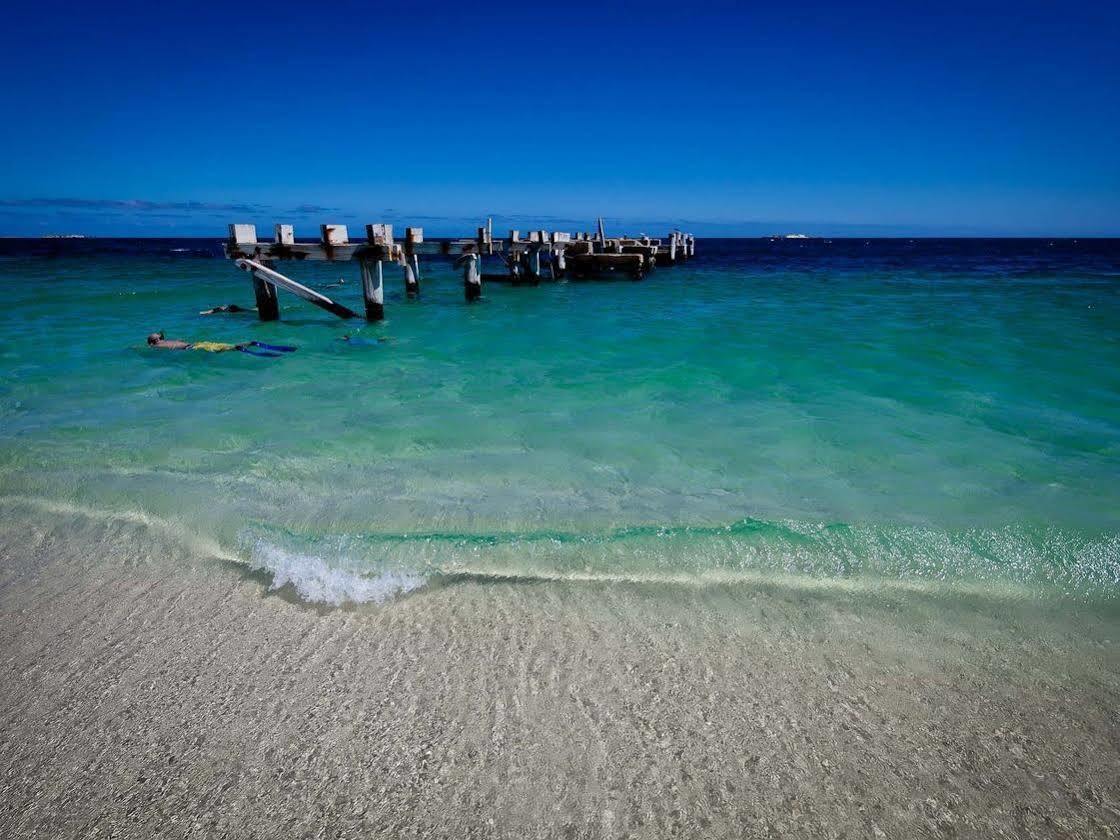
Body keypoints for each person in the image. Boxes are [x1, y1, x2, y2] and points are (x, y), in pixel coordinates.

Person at [146, 331, 296, 357]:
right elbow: (178, 342)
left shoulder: (156, 346)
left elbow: (151, 346)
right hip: (198, 343)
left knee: (227, 348)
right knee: (224, 345)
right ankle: (249, 344)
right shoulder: (167, 341)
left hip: (195, 347)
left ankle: (243, 346)